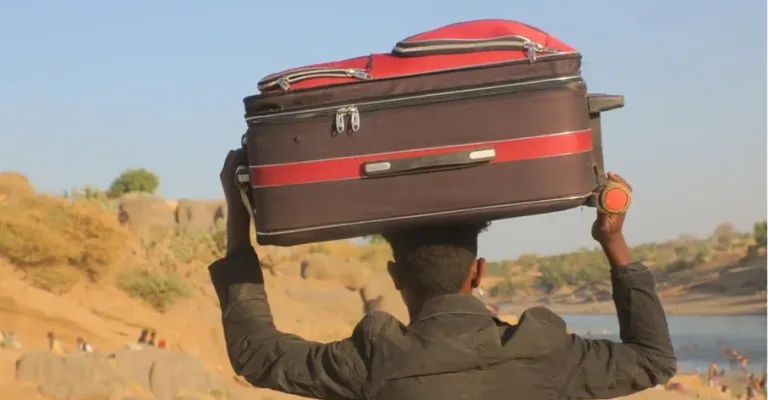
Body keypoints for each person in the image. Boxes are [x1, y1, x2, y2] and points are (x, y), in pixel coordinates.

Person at [209, 149, 677, 400]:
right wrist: (612, 241)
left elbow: (258, 354)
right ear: (478, 272)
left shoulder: (375, 361)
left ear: (395, 277)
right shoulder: (546, 351)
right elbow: (652, 359)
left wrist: (238, 217)